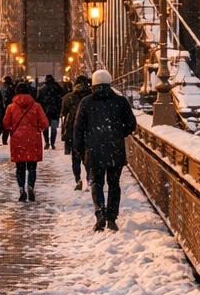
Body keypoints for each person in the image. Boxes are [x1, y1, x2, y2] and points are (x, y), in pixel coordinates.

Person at [72, 69, 137, 232]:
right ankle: (112, 217)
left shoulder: (86, 102)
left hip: (94, 149)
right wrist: (119, 133)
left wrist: (80, 148)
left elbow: (78, 128)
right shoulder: (120, 101)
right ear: (109, 83)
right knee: (114, 184)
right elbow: (131, 124)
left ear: (93, 85)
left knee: (96, 182)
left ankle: (100, 210)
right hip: (115, 149)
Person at [2, 81, 48, 202]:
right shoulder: (36, 106)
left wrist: (12, 130)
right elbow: (45, 123)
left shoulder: (11, 107)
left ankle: (21, 188)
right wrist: (37, 128)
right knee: (32, 167)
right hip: (33, 139)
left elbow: (6, 124)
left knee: (20, 167)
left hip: (18, 140)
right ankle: (31, 185)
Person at [59, 75, 94, 191]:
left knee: (75, 157)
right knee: (88, 156)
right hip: (89, 130)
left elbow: (63, 114)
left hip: (72, 131)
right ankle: (89, 178)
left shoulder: (68, 98)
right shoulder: (92, 98)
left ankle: (78, 178)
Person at [35, 75, 64, 149]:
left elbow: (38, 100)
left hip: (45, 111)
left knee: (46, 128)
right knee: (54, 129)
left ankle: (47, 143)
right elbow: (62, 98)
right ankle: (52, 143)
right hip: (55, 111)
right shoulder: (57, 88)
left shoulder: (43, 89)